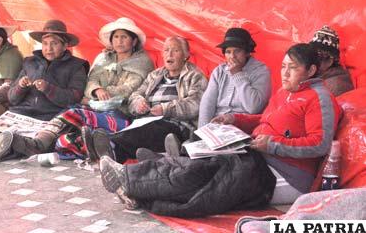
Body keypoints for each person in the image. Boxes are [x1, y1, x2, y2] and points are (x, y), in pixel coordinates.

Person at [99, 43, 341, 218]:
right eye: (283, 66)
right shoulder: (286, 92)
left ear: (310, 71)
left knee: (213, 175)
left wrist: (273, 145)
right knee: (206, 157)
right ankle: (151, 176)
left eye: (293, 68)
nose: (285, 73)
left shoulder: (319, 98)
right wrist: (234, 119)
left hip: (287, 174)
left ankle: (131, 179)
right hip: (260, 155)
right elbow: (264, 119)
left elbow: (320, 144)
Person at [0, 17, 154, 160]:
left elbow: (130, 88)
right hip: (91, 106)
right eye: (116, 37)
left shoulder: (142, 62)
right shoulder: (103, 58)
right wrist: (97, 90)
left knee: (72, 116)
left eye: (124, 37)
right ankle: (9, 146)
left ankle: (37, 144)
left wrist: (103, 94)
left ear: (134, 41)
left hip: (118, 111)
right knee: (64, 137)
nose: (119, 41)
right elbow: (92, 80)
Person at [0, 19, 89, 161]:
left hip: (51, 116)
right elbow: (12, 98)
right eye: (45, 43)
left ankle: (0, 145)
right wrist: (20, 86)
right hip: (22, 113)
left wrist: (48, 88)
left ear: (65, 45)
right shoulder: (30, 62)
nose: (48, 48)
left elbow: (74, 96)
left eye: (54, 43)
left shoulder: (76, 66)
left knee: (44, 141)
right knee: (3, 132)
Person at [85, 36, 208, 163]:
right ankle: (112, 153)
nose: (169, 54)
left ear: (186, 55)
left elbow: (196, 104)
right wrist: (138, 103)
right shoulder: (155, 75)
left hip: (177, 126)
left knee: (149, 129)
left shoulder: (195, 76)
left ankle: (105, 146)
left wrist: (165, 109)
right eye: (166, 50)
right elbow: (135, 95)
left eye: (175, 50)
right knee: (138, 129)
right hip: (148, 121)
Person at [198, 27, 271, 127]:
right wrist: (203, 131)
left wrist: (237, 74)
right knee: (190, 141)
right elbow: (207, 104)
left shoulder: (260, 71)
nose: (232, 56)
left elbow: (254, 107)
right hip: (218, 124)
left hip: (244, 125)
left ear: (247, 52)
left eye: (237, 51)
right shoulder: (219, 71)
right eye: (228, 52)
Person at [310, 25, 354, 96]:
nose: (311, 60)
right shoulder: (321, 78)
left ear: (329, 62)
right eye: (311, 54)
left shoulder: (336, 85)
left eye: (317, 57)